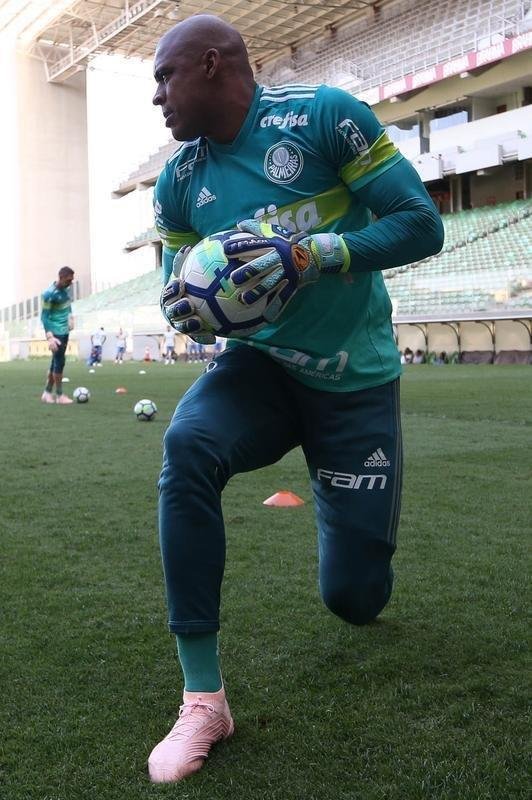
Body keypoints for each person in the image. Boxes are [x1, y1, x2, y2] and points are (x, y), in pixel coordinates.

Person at [148, 15, 444, 784]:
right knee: (187, 448)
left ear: (212, 65)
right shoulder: (179, 181)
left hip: (355, 380)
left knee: (354, 599)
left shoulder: (322, 118)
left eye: (165, 76)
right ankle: (204, 699)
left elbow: (421, 222)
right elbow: (175, 287)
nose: (157, 98)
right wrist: (181, 306)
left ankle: (345, 503)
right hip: (262, 369)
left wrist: (315, 254)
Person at [40, 266, 75, 404]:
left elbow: (67, 304)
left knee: (55, 362)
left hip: (64, 331)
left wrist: (71, 317)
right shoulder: (49, 294)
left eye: (72, 280)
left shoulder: (65, 290)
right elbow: (44, 317)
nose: (70, 283)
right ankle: (60, 395)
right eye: (68, 280)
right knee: (60, 362)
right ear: (60, 277)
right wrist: (50, 337)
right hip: (56, 333)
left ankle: (47, 393)